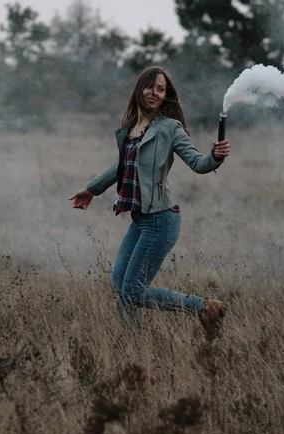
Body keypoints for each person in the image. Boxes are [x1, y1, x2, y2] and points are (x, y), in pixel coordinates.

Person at [68, 66, 231, 337]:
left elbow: (199, 163)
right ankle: (131, 345)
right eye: (150, 86)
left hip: (161, 220)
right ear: (139, 88)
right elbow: (120, 166)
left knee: (132, 290)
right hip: (141, 220)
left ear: (166, 96)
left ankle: (205, 307)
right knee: (120, 285)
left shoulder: (170, 128)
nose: (153, 92)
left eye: (160, 89)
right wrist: (91, 190)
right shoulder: (132, 129)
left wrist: (216, 156)